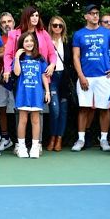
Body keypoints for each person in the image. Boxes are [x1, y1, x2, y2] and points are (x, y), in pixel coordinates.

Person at [71, 4, 110, 152]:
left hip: (104, 77)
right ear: (85, 16)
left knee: (104, 109)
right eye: (92, 13)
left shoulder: (106, 33)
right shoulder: (79, 34)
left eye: (97, 13)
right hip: (86, 77)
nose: (95, 16)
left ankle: (104, 140)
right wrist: (81, 76)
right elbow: (76, 56)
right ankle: (80, 140)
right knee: (83, 108)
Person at [3, 6, 56, 151]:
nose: (35, 18)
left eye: (37, 16)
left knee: (38, 112)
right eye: (32, 15)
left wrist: (52, 65)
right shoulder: (14, 33)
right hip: (19, 77)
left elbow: (52, 53)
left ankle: (36, 144)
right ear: (26, 17)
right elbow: (8, 55)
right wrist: (7, 70)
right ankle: (19, 145)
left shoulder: (43, 33)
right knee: (20, 111)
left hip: (39, 78)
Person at [13, 32, 51, 158]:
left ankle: (35, 146)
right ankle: (22, 146)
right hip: (23, 93)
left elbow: (44, 76)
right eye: (26, 41)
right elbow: (17, 73)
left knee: (35, 120)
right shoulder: (20, 58)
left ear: (35, 43)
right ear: (22, 44)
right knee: (22, 120)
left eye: (31, 41)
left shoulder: (40, 58)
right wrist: (17, 57)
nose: (29, 43)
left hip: (36, 93)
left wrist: (47, 91)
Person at [46, 16, 72, 152]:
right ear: (50, 26)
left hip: (65, 78)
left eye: (60, 26)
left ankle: (59, 139)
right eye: (55, 25)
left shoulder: (67, 41)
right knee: (54, 111)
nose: (57, 28)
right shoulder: (46, 40)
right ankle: (52, 137)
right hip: (52, 78)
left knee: (63, 110)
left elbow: (71, 60)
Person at [0, 12, 16, 151]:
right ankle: (5, 138)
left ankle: (20, 140)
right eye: (4, 22)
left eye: (9, 21)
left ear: (14, 23)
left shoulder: (20, 36)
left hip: (17, 78)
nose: (7, 24)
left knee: (19, 109)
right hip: (2, 79)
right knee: (1, 108)